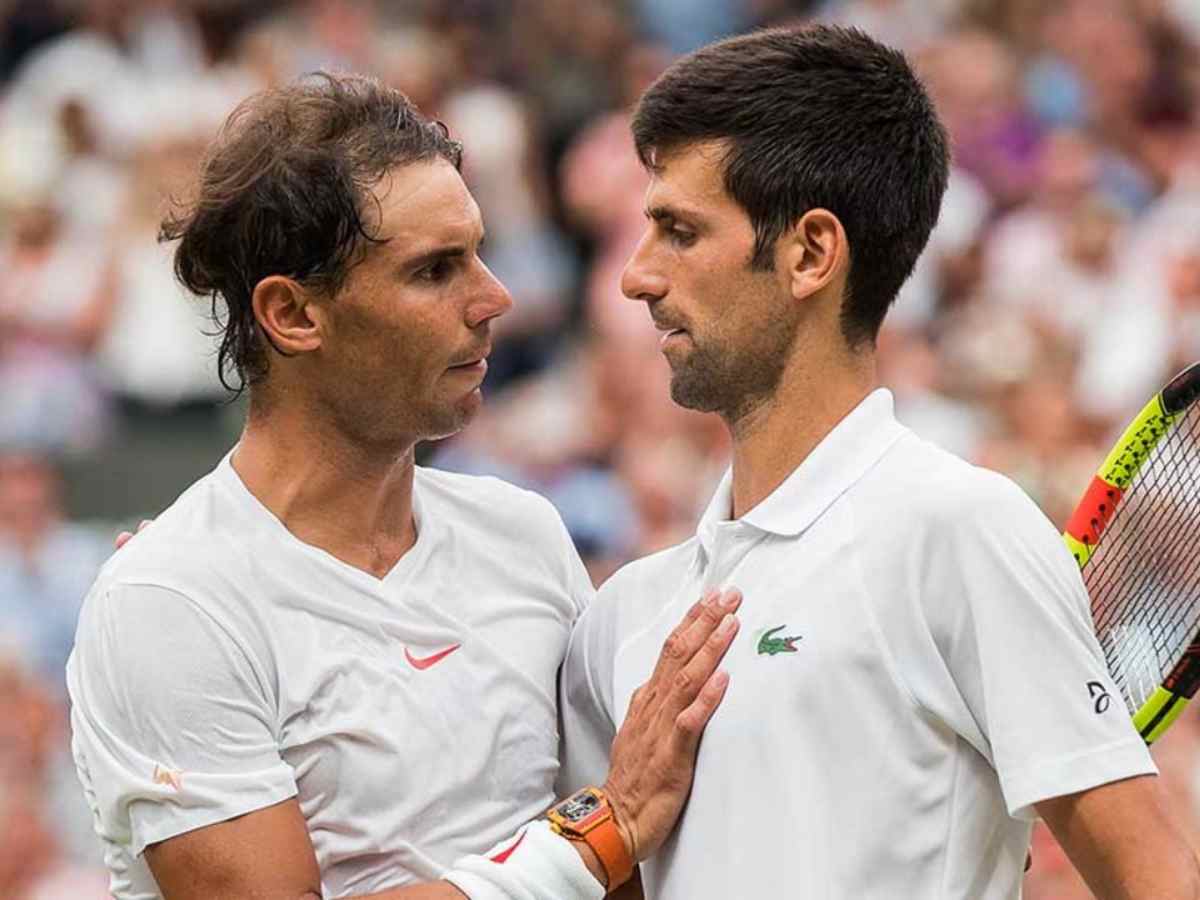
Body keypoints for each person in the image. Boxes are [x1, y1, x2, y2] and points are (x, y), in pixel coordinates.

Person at [558, 25, 1200, 900]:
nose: (636, 276)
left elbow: (1153, 878)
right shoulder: (619, 619)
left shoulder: (961, 531)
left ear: (812, 253)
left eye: (678, 231)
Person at [66, 73, 742, 900]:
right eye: (434, 271)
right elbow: (609, 829)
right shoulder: (169, 600)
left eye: (479, 253)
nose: (494, 298)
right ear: (293, 314)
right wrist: (600, 832)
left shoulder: (522, 532)